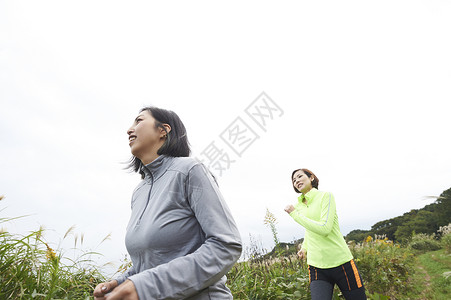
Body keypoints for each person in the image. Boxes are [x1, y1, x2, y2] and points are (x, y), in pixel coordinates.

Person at [94, 107, 242, 300]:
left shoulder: (190, 170)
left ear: (163, 130)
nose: (129, 130)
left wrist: (144, 287)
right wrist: (120, 283)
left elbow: (226, 245)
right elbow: (151, 262)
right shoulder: (138, 192)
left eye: (138, 121)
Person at [284, 169, 367, 300]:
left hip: (341, 262)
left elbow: (325, 228)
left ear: (311, 178)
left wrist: (294, 215)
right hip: (317, 266)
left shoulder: (326, 196)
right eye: (294, 180)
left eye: (300, 176)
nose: (297, 181)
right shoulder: (298, 206)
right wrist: (304, 248)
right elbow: (309, 228)